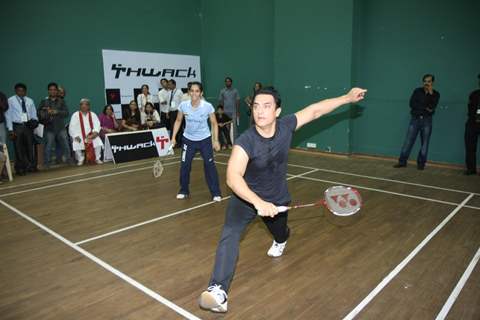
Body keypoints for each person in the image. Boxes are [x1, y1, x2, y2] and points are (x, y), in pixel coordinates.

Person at [198, 86, 367, 313]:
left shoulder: (286, 126)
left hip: (277, 198)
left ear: (278, 111)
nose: (260, 111)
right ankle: (218, 290)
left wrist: (346, 98)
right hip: (246, 198)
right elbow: (232, 177)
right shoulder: (246, 141)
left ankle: (282, 238)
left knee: (280, 232)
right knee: (230, 234)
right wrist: (257, 203)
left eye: (267, 106)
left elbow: (315, 110)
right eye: (256, 106)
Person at [171, 81, 222, 201]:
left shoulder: (207, 106)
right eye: (192, 91)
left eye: (197, 91)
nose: (194, 93)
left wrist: (215, 140)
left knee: (209, 165)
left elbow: (214, 123)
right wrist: (173, 138)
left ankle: (216, 193)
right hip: (188, 140)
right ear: (189, 92)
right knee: (185, 165)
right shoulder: (183, 105)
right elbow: (178, 121)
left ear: (201, 93)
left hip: (205, 140)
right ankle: (184, 190)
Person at [393, 74, 440, 170]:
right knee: (408, 141)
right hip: (415, 119)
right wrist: (425, 108)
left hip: (427, 121)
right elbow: (412, 104)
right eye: (425, 81)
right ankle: (402, 162)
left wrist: (430, 95)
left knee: (425, 143)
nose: (426, 83)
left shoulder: (436, 94)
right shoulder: (417, 91)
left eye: (429, 81)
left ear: (432, 83)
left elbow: (432, 107)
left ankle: (421, 164)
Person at [5, 83, 39, 175]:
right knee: (18, 148)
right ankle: (20, 168)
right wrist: (10, 129)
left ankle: (31, 166)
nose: (21, 92)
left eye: (23, 90)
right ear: (16, 91)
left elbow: (33, 113)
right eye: (19, 90)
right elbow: (8, 115)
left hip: (28, 126)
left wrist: (35, 122)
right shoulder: (10, 100)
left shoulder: (30, 101)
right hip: (17, 126)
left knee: (30, 147)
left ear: (25, 91)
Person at [38, 82, 72, 168]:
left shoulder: (61, 101)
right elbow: (39, 113)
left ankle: (69, 160)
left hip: (60, 127)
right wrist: (47, 113)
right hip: (49, 128)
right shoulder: (44, 101)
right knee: (48, 146)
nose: (53, 91)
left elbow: (66, 113)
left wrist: (57, 112)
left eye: (54, 90)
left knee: (66, 144)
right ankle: (46, 163)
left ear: (57, 91)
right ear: (48, 91)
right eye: (51, 90)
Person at [69, 98, 103, 165]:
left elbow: (97, 125)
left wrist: (94, 135)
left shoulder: (93, 114)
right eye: (82, 105)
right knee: (76, 142)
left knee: (98, 141)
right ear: (80, 106)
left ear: (88, 106)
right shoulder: (75, 115)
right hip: (79, 136)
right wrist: (75, 136)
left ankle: (97, 158)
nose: (84, 106)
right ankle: (80, 159)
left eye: (86, 105)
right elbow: (72, 127)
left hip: (91, 135)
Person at [464, 74, 480, 175]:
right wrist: (475, 117)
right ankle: (471, 168)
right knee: (470, 147)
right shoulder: (474, 94)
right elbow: (470, 109)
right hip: (472, 124)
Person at [168, 79, 184, 143]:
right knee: (172, 127)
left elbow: (182, 102)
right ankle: (173, 141)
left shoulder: (179, 92)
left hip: (178, 112)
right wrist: (168, 111)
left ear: (174, 84)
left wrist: (181, 112)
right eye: (168, 84)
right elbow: (169, 103)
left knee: (179, 127)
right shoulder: (169, 92)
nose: (168, 85)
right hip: (171, 112)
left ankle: (180, 142)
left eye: (170, 84)